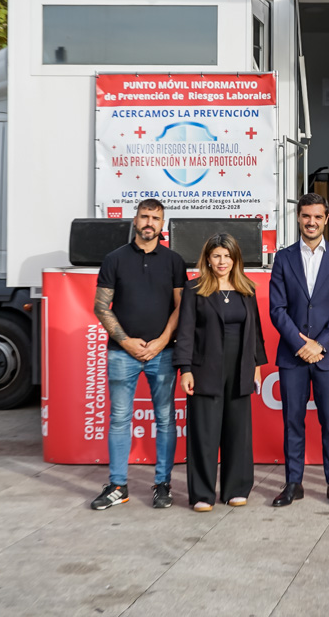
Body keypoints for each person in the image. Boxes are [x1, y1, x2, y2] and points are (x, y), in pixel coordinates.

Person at [90, 198, 186, 510]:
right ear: (135, 220)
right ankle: (118, 485)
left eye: (155, 218)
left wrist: (161, 341)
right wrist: (127, 341)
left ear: (163, 224)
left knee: (165, 419)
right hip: (121, 353)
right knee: (119, 419)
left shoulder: (173, 261)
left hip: (163, 354)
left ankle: (162, 485)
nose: (149, 223)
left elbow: (181, 307)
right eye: (144, 216)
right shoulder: (114, 258)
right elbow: (101, 306)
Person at [269, 192, 329, 508]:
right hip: (292, 356)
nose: (311, 222)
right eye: (306, 216)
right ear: (299, 218)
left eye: (318, 216)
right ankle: (294, 482)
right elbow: (277, 309)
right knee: (293, 421)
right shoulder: (284, 258)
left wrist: (319, 345)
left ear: (326, 219)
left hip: (328, 356)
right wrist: (300, 344)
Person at [175, 233, 267, 510]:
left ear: (235, 259)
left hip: (240, 368)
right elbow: (185, 331)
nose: (222, 261)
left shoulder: (247, 289)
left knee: (238, 432)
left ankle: (235, 488)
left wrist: (257, 366)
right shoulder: (194, 290)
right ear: (208, 259)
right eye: (216, 255)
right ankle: (202, 494)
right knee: (204, 432)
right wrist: (185, 369)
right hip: (205, 369)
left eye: (227, 256)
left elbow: (256, 332)